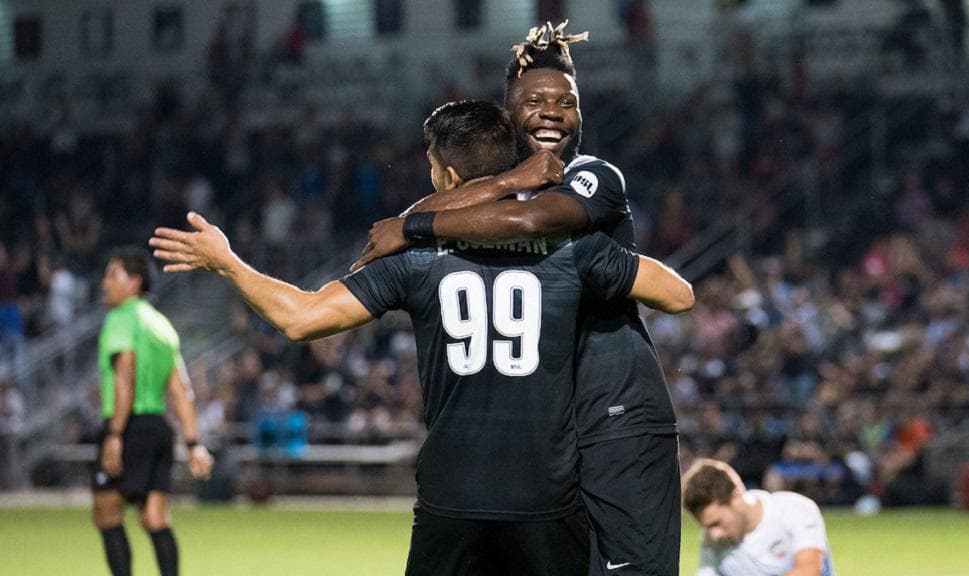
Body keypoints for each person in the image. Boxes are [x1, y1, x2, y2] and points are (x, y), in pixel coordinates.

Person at [149, 100, 695, 576]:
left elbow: (299, 317)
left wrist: (227, 264)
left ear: (450, 178)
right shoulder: (570, 249)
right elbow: (677, 295)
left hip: (451, 498)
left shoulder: (413, 258)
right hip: (547, 498)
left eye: (433, 168)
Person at [353, 21, 683, 576]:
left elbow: (533, 218)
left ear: (581, 116)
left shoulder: (592, 176)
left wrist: (413, 229)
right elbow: (452, 199)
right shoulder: (498, 195)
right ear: (507, 117)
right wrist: (453, 205)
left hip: (617, 413)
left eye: (567, 102)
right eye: (534, 101)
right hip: (553, 432)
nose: (552, 111)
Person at [93, 247, 214, 576]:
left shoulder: (121, 319)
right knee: (155, 518)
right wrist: (193, 444)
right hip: (159, 428)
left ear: (133, 283)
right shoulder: (162, 325)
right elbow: (182, 390)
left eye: (111, 274)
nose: (105, 283)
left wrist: (115, 434)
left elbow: (125, 377)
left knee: (106, 513)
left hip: (128, 426)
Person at [680, 459, 836, 576]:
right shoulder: (712, 539)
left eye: (717, 523)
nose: (715, 534)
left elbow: (809, 570)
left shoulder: (794, 509)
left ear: (736, 496)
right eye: (707, 527)